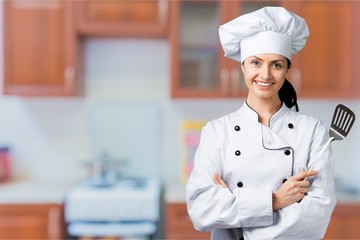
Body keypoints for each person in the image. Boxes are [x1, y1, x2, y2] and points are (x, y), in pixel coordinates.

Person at [186, 6, 336, 240]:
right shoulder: (216, 132)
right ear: (243, 65)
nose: (265, 75)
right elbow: (201, 211)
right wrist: (275, 201)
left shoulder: (312, 131)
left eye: (276, 64)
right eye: (256, 63)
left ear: (287, 69)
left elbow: (316, 215)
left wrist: (238, 219)